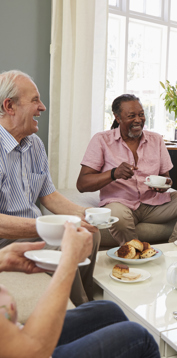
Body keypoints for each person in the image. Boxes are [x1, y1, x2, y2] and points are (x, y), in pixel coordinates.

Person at [0, 70, 100, 306]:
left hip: (32, 230)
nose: (42, 107)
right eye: (35, 100)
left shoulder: (35, 143)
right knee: (66, 240)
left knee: (91, 232)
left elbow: (49, 195)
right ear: (9, 106)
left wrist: (84, 215)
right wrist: (47, 227)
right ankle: (81, 310)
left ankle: (85, 298)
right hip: (5, 241)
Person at [0, 222, 160, 358]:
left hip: (15, 336)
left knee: (107, 310)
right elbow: (32, 351)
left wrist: (2, 258)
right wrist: (68, 261)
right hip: (30, 350)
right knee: (138, 336)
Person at [76, 94, 177, 245]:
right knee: (116, 215)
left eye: (141, 114)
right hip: (120, 203)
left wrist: (164, 185)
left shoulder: (156, 139)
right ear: (118, 118)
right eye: (131, 116)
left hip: (154, 204)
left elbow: (166, 178)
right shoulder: (101, 140)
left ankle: (175, 247)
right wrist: (113, 174)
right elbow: (82, 184)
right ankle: (135, 252)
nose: (138, 120)